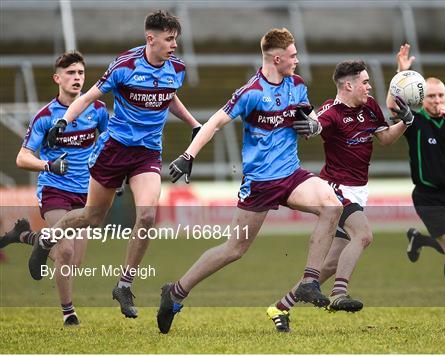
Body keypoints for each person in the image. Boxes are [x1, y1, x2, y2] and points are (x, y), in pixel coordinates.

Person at [157, 27, 343, 334]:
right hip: (260, 182)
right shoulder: (251, 92)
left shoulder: (296, 85)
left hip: (291, 175)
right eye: (293, 56)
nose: (297, 60)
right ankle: (176, 292)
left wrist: (312, 126)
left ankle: (310, 282)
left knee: (331, 206)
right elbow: (215, 121)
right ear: (277, 57)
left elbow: (314, 120)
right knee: (234, 249)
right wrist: (188, 155)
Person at [27, 10, 201, 319]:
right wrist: (64, 122)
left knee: (147, 215)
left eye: (176, 39)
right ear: (151, 39)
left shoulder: (177, 68)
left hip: (147, 153)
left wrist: (193, 123)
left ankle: (124, 284)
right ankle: (49, 237)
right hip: (114, 150)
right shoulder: (124, 66)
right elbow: (87, 97)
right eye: (169, 39)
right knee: (93, 217)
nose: (175, 45)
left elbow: (168, 96)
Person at [267, 59, 415, 332]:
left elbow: (385, 139)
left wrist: (406, 122)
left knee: (328, 265)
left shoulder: (369, 107)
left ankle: (279, 307)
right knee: (364, 235)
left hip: (358, 192)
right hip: (336, 189)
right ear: (349, 85)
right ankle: (338, 295)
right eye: (365, 82)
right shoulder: (331, 112)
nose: (369, 87)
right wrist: (309, 126)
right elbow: (315, 125)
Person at [0, 50, 109, 326]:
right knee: (66, 251)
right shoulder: (46, 116)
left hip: (86, 194)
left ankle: (24, 236)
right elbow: (22, 157)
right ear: (57, 78)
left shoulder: (96, 110)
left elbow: (108, 142)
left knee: (73, 262)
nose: (77, 78)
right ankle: (69, 313)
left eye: (81, 73)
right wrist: (48, 165)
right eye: (71, 73)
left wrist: (108, 174)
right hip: (54, 190)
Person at [387, 44, 445, 314]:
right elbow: (393, 106)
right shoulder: (414, 121)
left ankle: (419, 240)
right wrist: (401, 74)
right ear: (422, 98)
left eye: (441, 96)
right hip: (428, 196)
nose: (437, 101)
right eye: (431, 97)